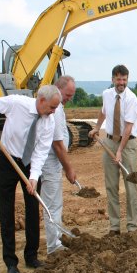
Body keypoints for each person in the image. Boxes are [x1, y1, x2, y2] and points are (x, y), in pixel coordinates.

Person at [0, 85, 61, 273]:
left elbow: (41, 151)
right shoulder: (17, 103)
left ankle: (31, 256)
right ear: (42, 100)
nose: (54, 111)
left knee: (32, 207)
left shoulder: (49, 121)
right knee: (7, 210)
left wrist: (33, 178)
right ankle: (11, 262)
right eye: (52, 107)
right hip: (7, 158)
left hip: (29, 164)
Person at [88, 65, 137, 235]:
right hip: (109, 143)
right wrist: (97, 127)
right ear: (113, 79)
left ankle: (132, 226)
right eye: (118, 79)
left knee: (131, 185)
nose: (121, 83)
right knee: (111, 186)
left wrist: (119, 151)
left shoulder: (131, 98)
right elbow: (103, 112)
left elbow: (128, 126)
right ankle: (114, 226)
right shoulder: (107, 95)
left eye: (124, 79)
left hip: (128, 145)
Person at [40, 76, 77, 254]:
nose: (69, 98)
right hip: (50, 162)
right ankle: (53, 246)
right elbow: (57, 143)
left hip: (54, 161)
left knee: (56, 203)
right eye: (67, 94)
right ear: (58, 88)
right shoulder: (56, 109)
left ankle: (58, 238)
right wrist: (69, 169)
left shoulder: (59, 107)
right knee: (52, 205)